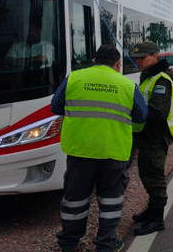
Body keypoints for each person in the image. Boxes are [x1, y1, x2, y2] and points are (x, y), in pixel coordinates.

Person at [51, 45, 148, 252]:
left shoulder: (74, 78)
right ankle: (106, 243)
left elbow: (55, 107)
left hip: (80, 152)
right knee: (111, 202)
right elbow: (141, 117)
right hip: (114, 153)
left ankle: (69, 243)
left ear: (94, 61)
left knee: (75, 201)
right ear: (118, 64)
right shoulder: (127, 85)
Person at [130, 41, 173, 236]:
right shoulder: (150, 76)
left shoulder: (160, 80)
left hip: (156, 137)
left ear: (154, 56)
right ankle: (152, 210)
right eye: (136, 58)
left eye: (142, 58)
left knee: (154, 177)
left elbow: (158, 113)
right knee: (146, 173)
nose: (138, 61)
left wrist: (135, 110)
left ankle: (157, 219)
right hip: (148, 136)